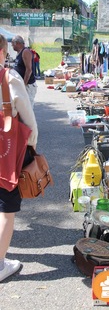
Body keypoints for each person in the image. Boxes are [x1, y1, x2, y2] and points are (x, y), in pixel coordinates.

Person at [0, 34, 38, 282]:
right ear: (2, 52)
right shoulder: (8, 77)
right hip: (5, 153)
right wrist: (32, 148)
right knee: (5, 210)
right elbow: (29, 120)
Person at [11, 35, 37, 108]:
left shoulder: (25, 52)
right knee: (21, 107)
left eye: (13, 43)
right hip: (22, 85)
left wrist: (23, 84)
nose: (12, 45)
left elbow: (29, 69)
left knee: (27, 107)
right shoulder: (19, 53)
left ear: (18, 43)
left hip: (28, 85)